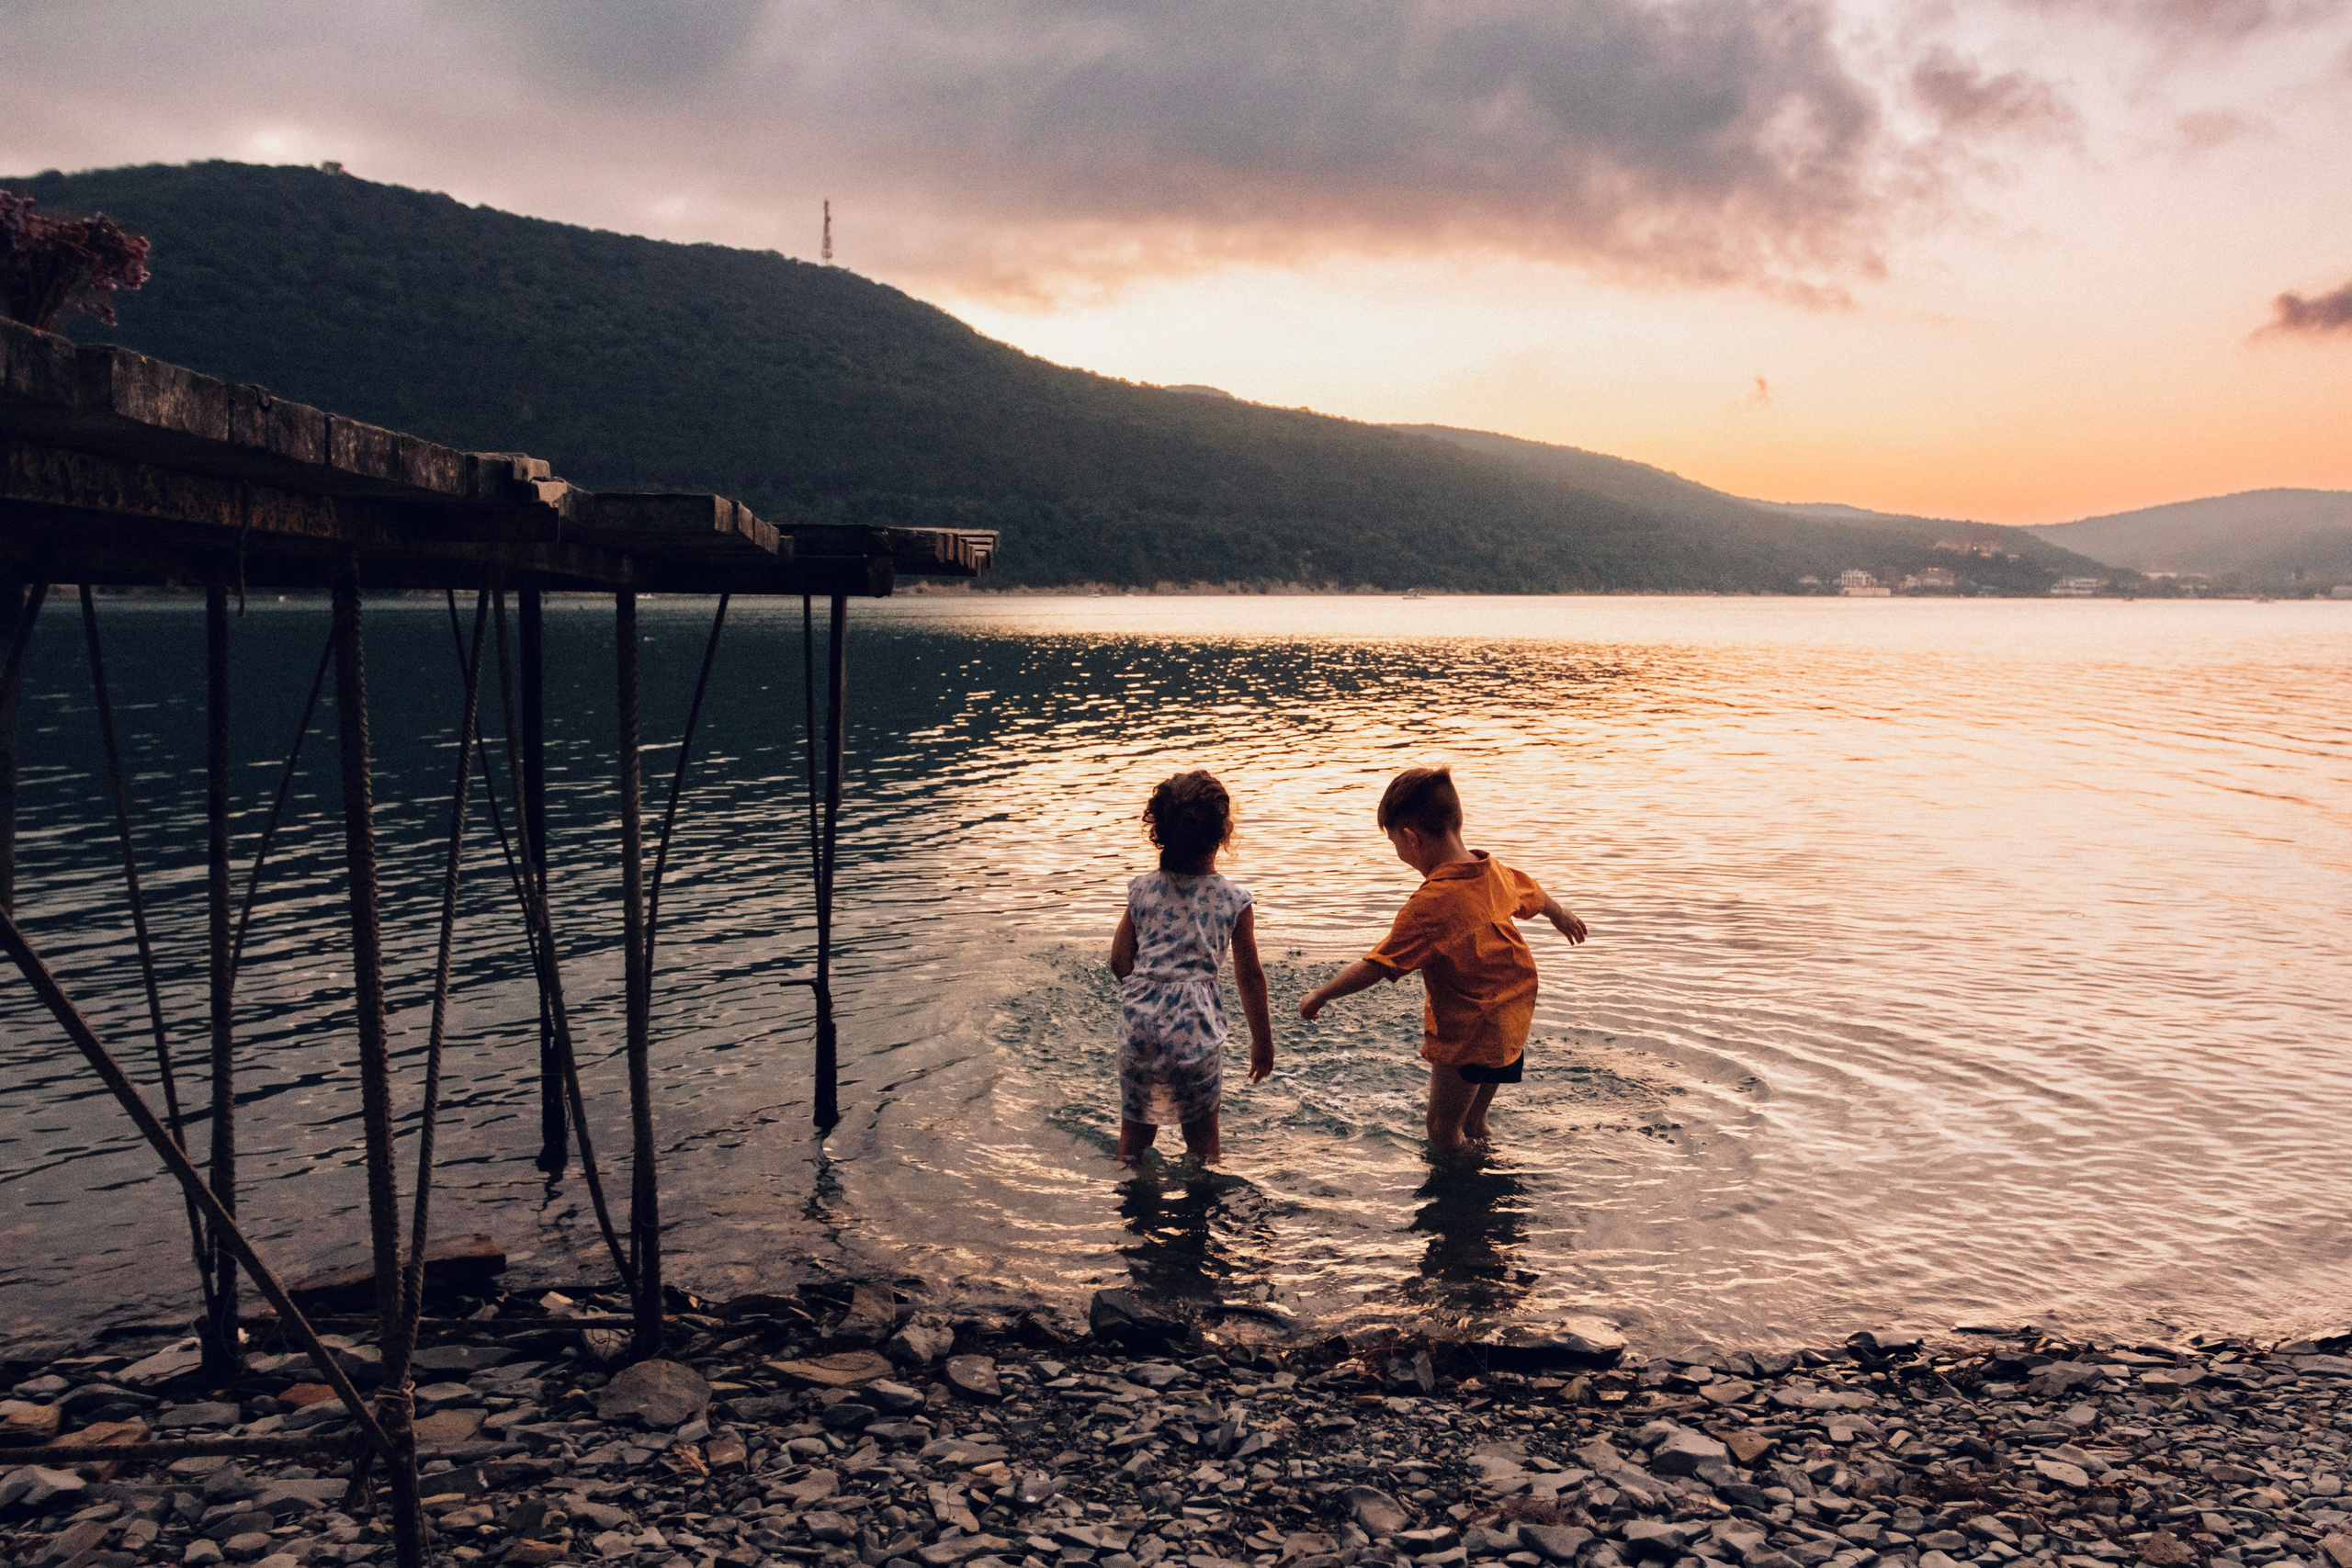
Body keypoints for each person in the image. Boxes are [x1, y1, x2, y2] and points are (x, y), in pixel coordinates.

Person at [1298, 765, 1586, 1156]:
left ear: (1410, 838)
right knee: (1473, 1120)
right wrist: (1560, 915)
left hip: (1470, 1029)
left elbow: (1377, 965)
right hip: (1511, 1019)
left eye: (1394, 844)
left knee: (1442, 1127)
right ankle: (1487, 1164)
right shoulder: (1492, 869)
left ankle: (1467, 1197)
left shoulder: (1431, 905)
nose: (1398, 853)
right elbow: (1535, 894)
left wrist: (1321, 995)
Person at [1110, 770, 1274, 1165]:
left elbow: (1119, 962)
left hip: (1141, 1027)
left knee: (1133, 1143)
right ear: (1223, 834)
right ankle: (1200, 1216)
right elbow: (1250, 977)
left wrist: (1152, 995)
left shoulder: (1142, 890)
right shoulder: (1234, 900)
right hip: (1195, 1029)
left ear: (1160, 832)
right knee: (1203, 1148)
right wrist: (1262, 1041)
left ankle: (1133, 1214)